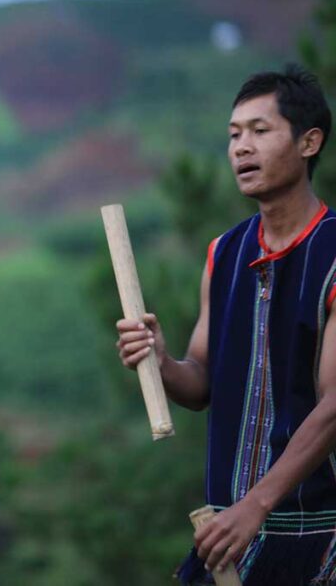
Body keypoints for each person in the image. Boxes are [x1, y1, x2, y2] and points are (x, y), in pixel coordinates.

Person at [116, 65, 336, 585]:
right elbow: (200, 384)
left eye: (260, 131)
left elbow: (333, 407)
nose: (241, 147)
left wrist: (256, 505)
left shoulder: (332, 254)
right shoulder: (225, 253)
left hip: (315, 536)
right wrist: (159, 360)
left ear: (309, 142)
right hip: (229, 539)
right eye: (234, 135)